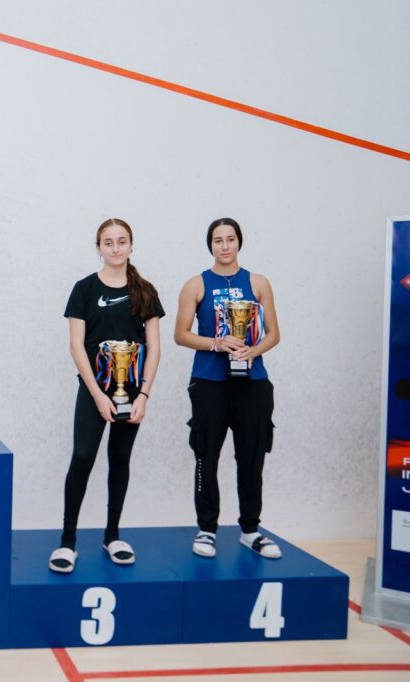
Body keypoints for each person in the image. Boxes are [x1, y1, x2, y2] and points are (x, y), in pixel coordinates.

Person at [49, 219, 164, 574]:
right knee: (83, 456)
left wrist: (143, 394)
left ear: (131, 245)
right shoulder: (84, 289)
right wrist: (98, 395)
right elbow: (76, 345)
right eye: (108, 242)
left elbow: (154, 347)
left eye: (122, 241)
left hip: (132, 391)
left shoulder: (145, 291)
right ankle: (68, 541)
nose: (115, 248)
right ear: (98, 247)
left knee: (120, 459)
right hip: (94, 390)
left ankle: (112, 536)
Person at [174, 218, 281, 559]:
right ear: (210, 245)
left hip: (253, 383)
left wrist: (254, 350)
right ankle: (207, 529)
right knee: (206, 456)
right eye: (218, 240)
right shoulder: (196, 285)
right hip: (210, 383)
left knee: (251, 458)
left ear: (239, 242)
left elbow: (273, 334)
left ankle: (250, 530)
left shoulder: (258, 282)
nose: (225, 245)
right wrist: (216, 343)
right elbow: (180, 334)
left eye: (230, 239)